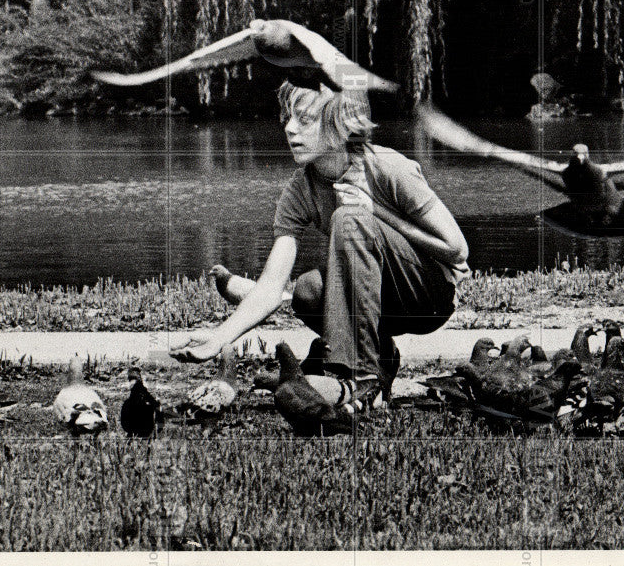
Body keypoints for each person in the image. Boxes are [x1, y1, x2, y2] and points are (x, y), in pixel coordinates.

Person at [170, 81, 469, 411]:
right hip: (380, 299)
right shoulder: (300, 189)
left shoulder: (387, 167)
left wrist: (379, 213)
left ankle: (359, 377)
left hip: (430, 297)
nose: (290, 129)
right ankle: (380, 357)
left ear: (340, 125)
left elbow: (456, 251)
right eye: (288, 117)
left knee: (349, 220)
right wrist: (217, 338)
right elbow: (271, 286)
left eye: (305, 119)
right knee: (308, 290)